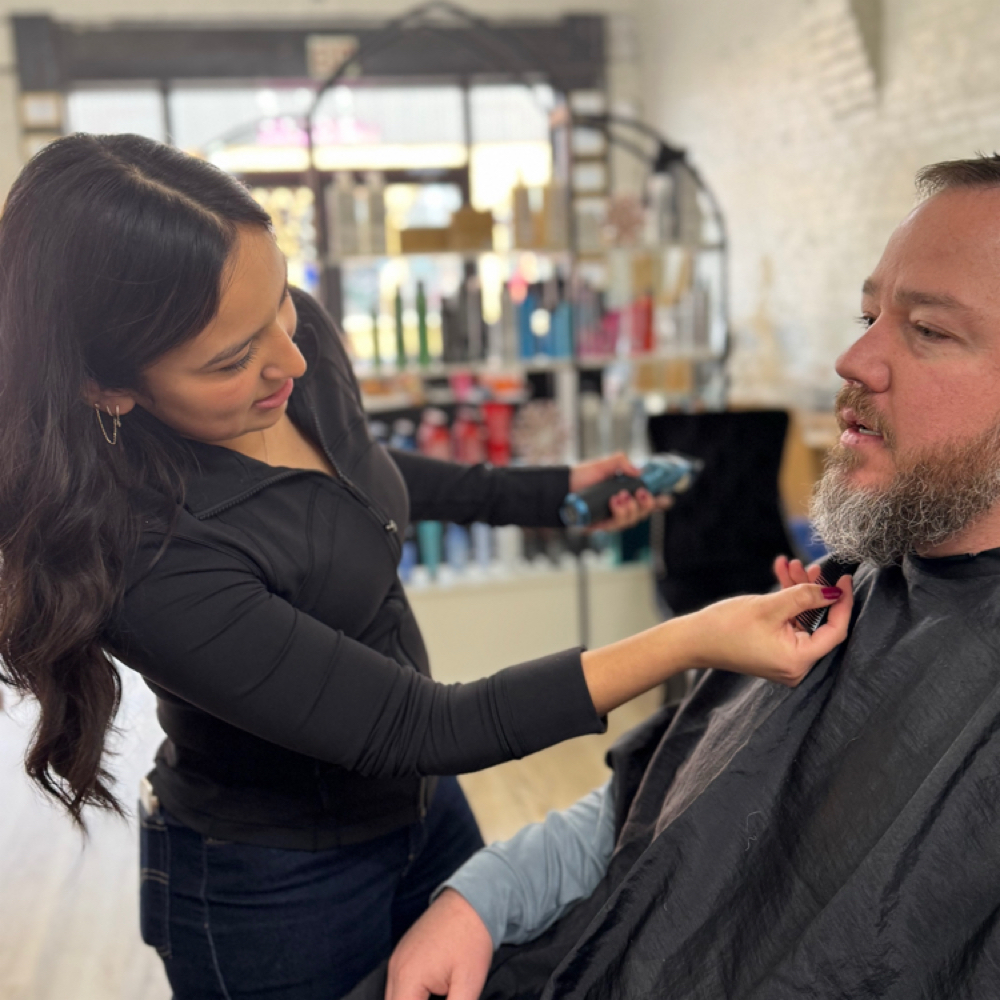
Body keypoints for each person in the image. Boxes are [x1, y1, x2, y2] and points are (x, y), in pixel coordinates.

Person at [0, 132, 851, 1000]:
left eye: (281, 302)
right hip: (274, 887)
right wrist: (698, 637)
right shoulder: (146, 554)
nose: (292, 358)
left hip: (421, 810)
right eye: (232, 359)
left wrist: (553, 494)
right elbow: (425, 725)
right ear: (107, 388)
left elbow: (356, 472)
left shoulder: (292, 346)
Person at [385, 152, 1000, 1000]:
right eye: (868, 315)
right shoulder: (846, 589)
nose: (854, 358)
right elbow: (655, 799)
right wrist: (481, 901)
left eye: (927, 330)